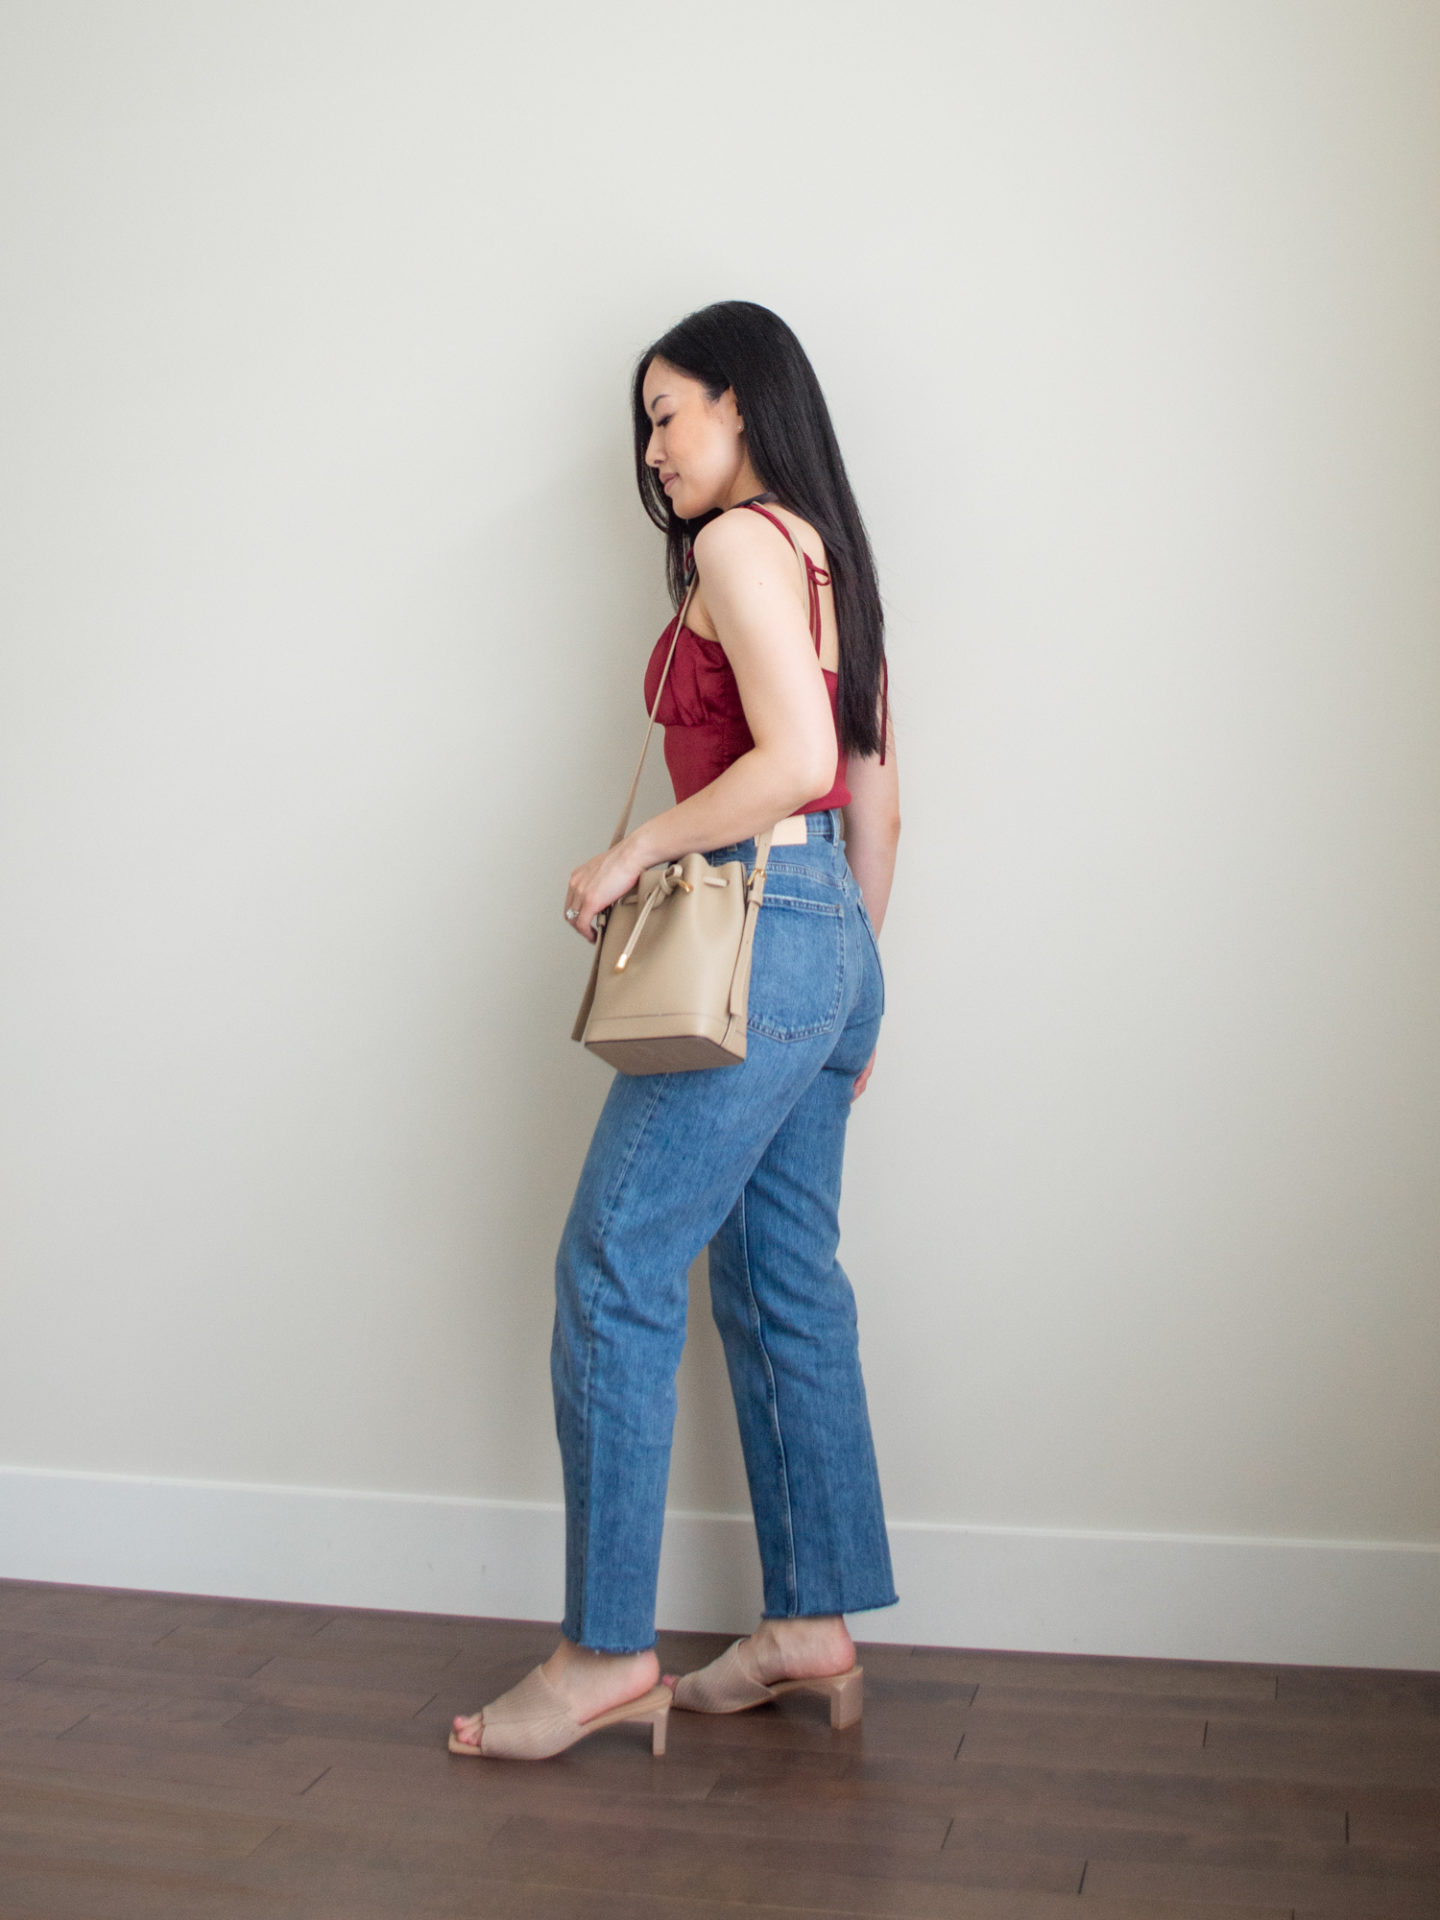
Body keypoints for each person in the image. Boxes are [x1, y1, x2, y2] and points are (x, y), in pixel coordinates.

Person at [450, 300, 900, 1761]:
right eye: (644, 425)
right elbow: (874, 793)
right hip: (829, 934)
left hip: (761, 935)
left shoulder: (738, 545)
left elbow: (800, 762)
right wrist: (848, 985)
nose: (652, 451)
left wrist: (636, 851)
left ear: (744, 404)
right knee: (781, 1283)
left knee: (616, 1260)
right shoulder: (838, 559)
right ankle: (811, 1629)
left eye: (669, 413)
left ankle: (604, 1656)